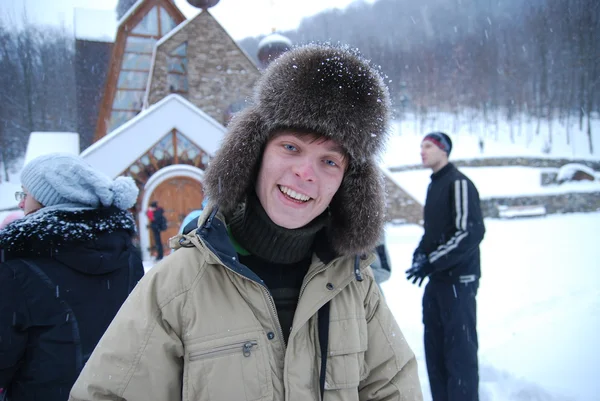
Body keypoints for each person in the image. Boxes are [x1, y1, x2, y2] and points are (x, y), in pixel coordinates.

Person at [69, 44, 423, 401]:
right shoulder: (178, 284)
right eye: (291, 147)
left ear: (346, 182)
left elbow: (394, 389)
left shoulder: (355, 285)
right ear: (253, 153)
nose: (305, 173)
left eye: (329, 161)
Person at [0, 153, 144, 400]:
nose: (21, 204)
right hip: (112, 392)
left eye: (25, 195)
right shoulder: (126, 255)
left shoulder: (17, 267)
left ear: (49, 200)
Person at [405, 132, 485, 401]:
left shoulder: (459, 183)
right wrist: (420, 255)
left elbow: (469, 233)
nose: (422, 151)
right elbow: (432, 233)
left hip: (458, 283)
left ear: (444, 150)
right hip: (437, 282)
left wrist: (432, 261)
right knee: (435, 350)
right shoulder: (434, 185)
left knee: (459, 353)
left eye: (428, 146)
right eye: (421, 146)